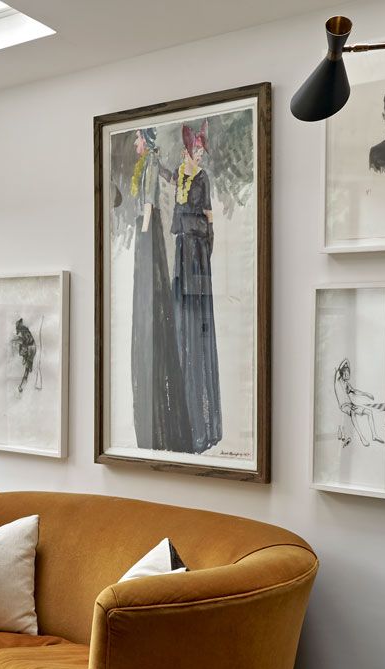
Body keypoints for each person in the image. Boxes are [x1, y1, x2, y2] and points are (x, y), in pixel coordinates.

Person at [129, 127, 191, 451]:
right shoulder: (151, 162)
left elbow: (150, 203)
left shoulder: (150, 162)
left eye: (138, 138)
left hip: (148, 233)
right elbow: (168, 177)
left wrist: (142, 235)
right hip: (148, 232)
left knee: (152, 289)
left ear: (146, 140)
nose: (135, 143)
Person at [168, 120, 222, 454]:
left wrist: (207, 241)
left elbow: (208, 215)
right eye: (196, 150)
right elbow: (170, 182)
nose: (200, 154)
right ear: (187, 151)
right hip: (182, 252)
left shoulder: (203, 178)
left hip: (198, 255)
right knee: (181, 320)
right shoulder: (180, 176)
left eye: (202, 150)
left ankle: (203, 424)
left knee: (196, 320)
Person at [334, 359, 383, 447]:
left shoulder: (347, 384)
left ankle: (374, 435)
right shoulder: (338, 381)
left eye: (349, 374)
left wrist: (366, 394)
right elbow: (344, 362)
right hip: (344, 406)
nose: (348, 376)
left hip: (351, 405)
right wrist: (346, 364)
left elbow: (355, 391)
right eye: (346, 374)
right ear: (342, 373)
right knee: (352, 412)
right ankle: (362, 438)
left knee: (369, 412)